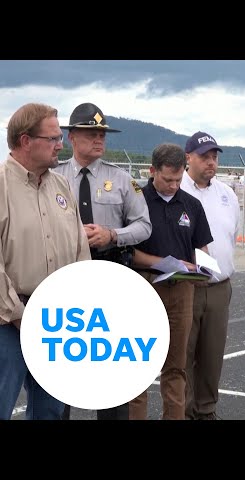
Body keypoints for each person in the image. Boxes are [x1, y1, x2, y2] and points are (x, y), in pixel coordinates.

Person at [54, 102, 152, 421]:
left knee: (111, 374)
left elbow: (143, 225)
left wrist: (112, 234)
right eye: (92, 133)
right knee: (62, 370)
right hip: (65, 281)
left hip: (110, 281)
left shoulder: (122, 179)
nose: (99, 139)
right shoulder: (53, 177)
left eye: (102, 134)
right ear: (72, 137)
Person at [0, 102, 91, 420]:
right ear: (26, 141)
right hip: (7, 323)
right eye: (52, 138)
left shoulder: (62, 185)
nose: (60, 144)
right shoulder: (0, 184)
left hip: (56, 323)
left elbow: (81, 249)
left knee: (50, 412)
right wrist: (20, 315)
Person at [129, 143, 213, 420]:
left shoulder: (192, 205)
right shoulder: (135, 200)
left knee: (176, 367)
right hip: (144, 286)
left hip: (181, 291)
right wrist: (161, 262)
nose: (174, 185)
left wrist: (202, 266)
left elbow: (202, 250)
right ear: (152, 171)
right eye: (167, 179)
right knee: (138, 365)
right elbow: (127, 251)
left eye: (178, 179)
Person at [181, 131, 240, 420]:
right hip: (186, 286)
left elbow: (228, 237)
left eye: (214, 157)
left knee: (212, 356)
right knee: (182, 355)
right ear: (188, 157)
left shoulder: (227, 194)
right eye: (204, 156)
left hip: (219, 287)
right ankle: (181, 412)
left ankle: (206, 411)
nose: (211, 162)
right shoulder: (175, 190)